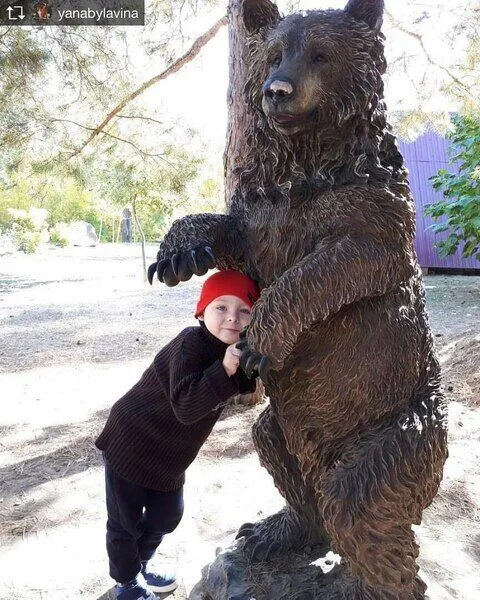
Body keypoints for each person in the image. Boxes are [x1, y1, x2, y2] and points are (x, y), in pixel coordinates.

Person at [96, 270, 260, 600]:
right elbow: (186, 406)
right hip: (132, 440)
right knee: (124, 522)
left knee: (167, 515)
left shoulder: (233, 349)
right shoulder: (190, 344)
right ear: (202, 312)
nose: (232, 317)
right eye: (221, 307)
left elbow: (243, 385)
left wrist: (251, 365)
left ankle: (140, 564)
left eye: (244, 310)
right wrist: (225, 368)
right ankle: (126, 582)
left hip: (169, 456)